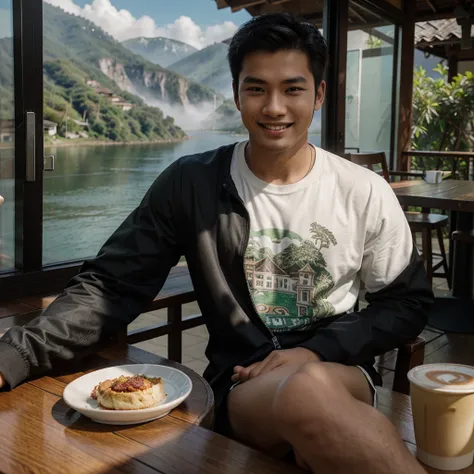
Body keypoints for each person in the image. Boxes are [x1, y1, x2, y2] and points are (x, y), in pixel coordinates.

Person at [0, 12, 431, 473]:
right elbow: (111, 285)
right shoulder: (192, 183)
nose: (274, 107)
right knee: (308, 411)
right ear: (236, 94)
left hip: (339, 369)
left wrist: (316, 350)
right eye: (256, 88)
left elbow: (404, 303)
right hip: (243, 382)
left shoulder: (363, 190)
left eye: (293, 88)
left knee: (310, 389)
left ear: (319, 95)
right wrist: (14, 355)